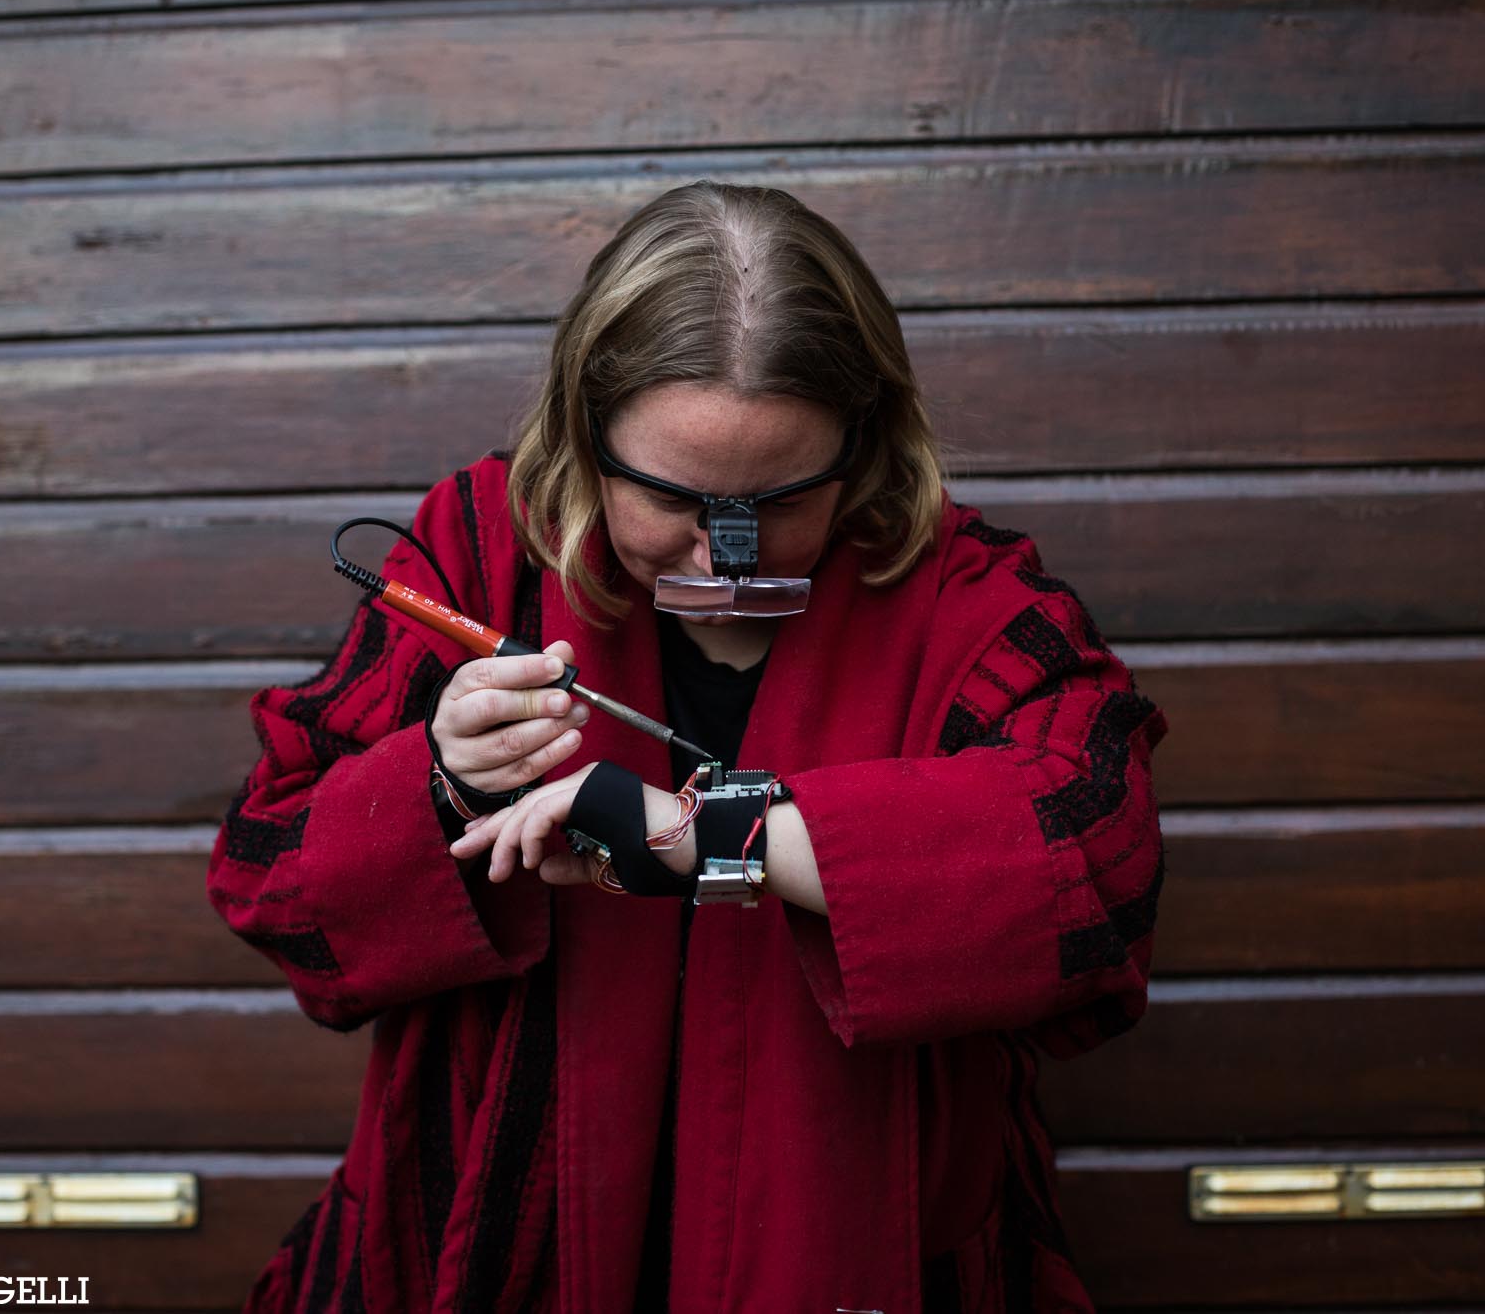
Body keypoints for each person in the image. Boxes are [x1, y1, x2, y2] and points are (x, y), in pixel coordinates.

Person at [208, 179, 1169, 1313]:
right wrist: (442, 779)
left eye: (775, 503)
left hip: (871, 1255)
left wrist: (713, 835)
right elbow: (271, 883)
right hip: (496, 1246)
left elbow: (1094, 869)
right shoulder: (476, 554)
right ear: (584, 437)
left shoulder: (969, 600)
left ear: (861, 453)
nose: (722, 556)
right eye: (675, 499)